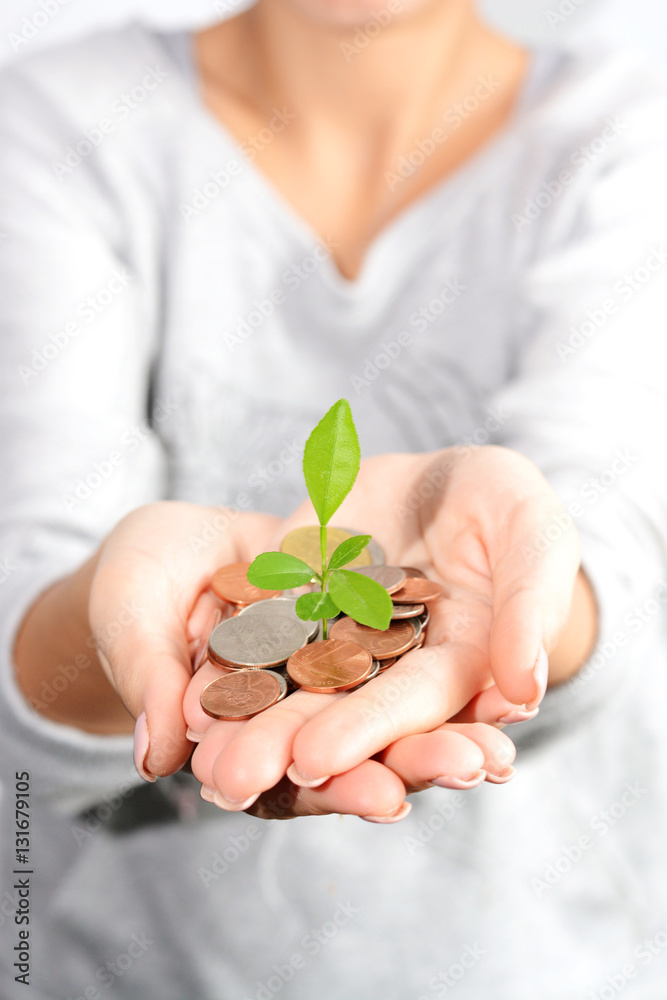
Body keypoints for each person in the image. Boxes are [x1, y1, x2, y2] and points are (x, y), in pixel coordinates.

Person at [1, 0, 666, 996]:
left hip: (545, 963)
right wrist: (113, 630)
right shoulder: (62, 121)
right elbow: (23, 620)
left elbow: (611, 550)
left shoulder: (625, 132)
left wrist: (521, 597)